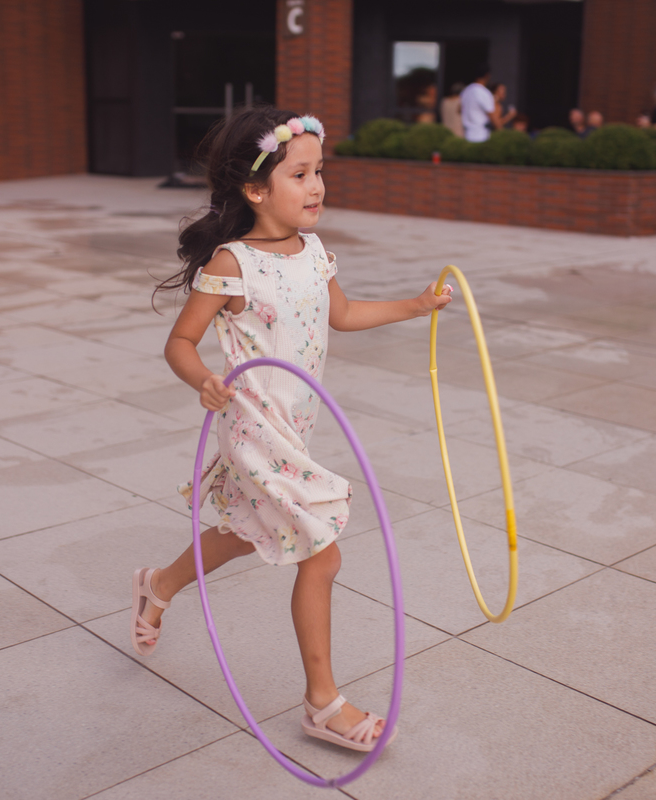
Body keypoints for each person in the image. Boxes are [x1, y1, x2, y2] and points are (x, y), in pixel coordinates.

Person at [132, 107, 452, 752]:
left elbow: (346, 314)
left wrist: (415, 307)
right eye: (300, 174)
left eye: (319, 172)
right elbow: (182, 342)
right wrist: (202, 380)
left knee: (245, 534)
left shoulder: (314, 252)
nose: (317, 187)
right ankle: (322, 703)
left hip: (293, 426)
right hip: (252, 427)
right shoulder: (233, 263)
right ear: (255, 190)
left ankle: (158, 584)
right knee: (322, 552)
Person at [460, 65, 497, 142]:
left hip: (467, 134)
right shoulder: (484, 92)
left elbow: (459, 109)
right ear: (487, 75)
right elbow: (493, 116)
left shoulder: (466, 90)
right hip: (481, 135)